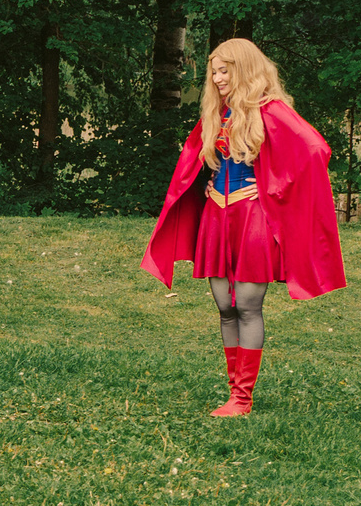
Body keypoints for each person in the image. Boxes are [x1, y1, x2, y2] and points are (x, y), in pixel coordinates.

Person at [139, 37, 347, 416]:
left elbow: (315, 149)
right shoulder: (220, 112)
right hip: (217, 216)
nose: (217, 78)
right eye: (214, 71)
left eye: (224, 70)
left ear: (244, 69)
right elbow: (205, 157)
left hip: (252, 218)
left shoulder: (270, 110)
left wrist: (271, 185)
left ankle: (242, 398)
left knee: (248, 306)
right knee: (224, 307)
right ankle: (233, 390)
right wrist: (208, 179)